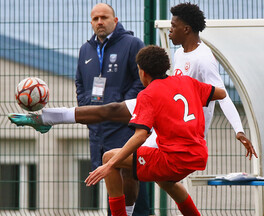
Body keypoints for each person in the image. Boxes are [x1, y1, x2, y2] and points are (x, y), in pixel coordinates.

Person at [84, 45, 228, 216]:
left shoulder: (148, 94)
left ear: (143, 72)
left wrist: (109, 165)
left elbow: (141, 135)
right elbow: (221, 94)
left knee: (109, 156)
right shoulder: (186, 82)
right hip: (198, 155)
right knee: (165, 181)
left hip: (174, 159)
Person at [72, 3, 149, 215]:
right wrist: (85, 106)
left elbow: (142, 79)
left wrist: (122, 105)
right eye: (95, 18)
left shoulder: (132, 44)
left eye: (104, 17)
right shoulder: (85, 49)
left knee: (130, 178)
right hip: (98, 130)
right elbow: (79, 81)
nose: (99, 22)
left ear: (115, 21)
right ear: (91, 22)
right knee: (110, 180)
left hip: (124, 127)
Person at [169, 3, 253, 150]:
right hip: (175, 127)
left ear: (186, 29)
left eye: (173, 26)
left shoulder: (203, 58)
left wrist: (239, 130)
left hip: (191, 135)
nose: (170, 30)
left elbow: (223, 95)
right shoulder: (178, 54)